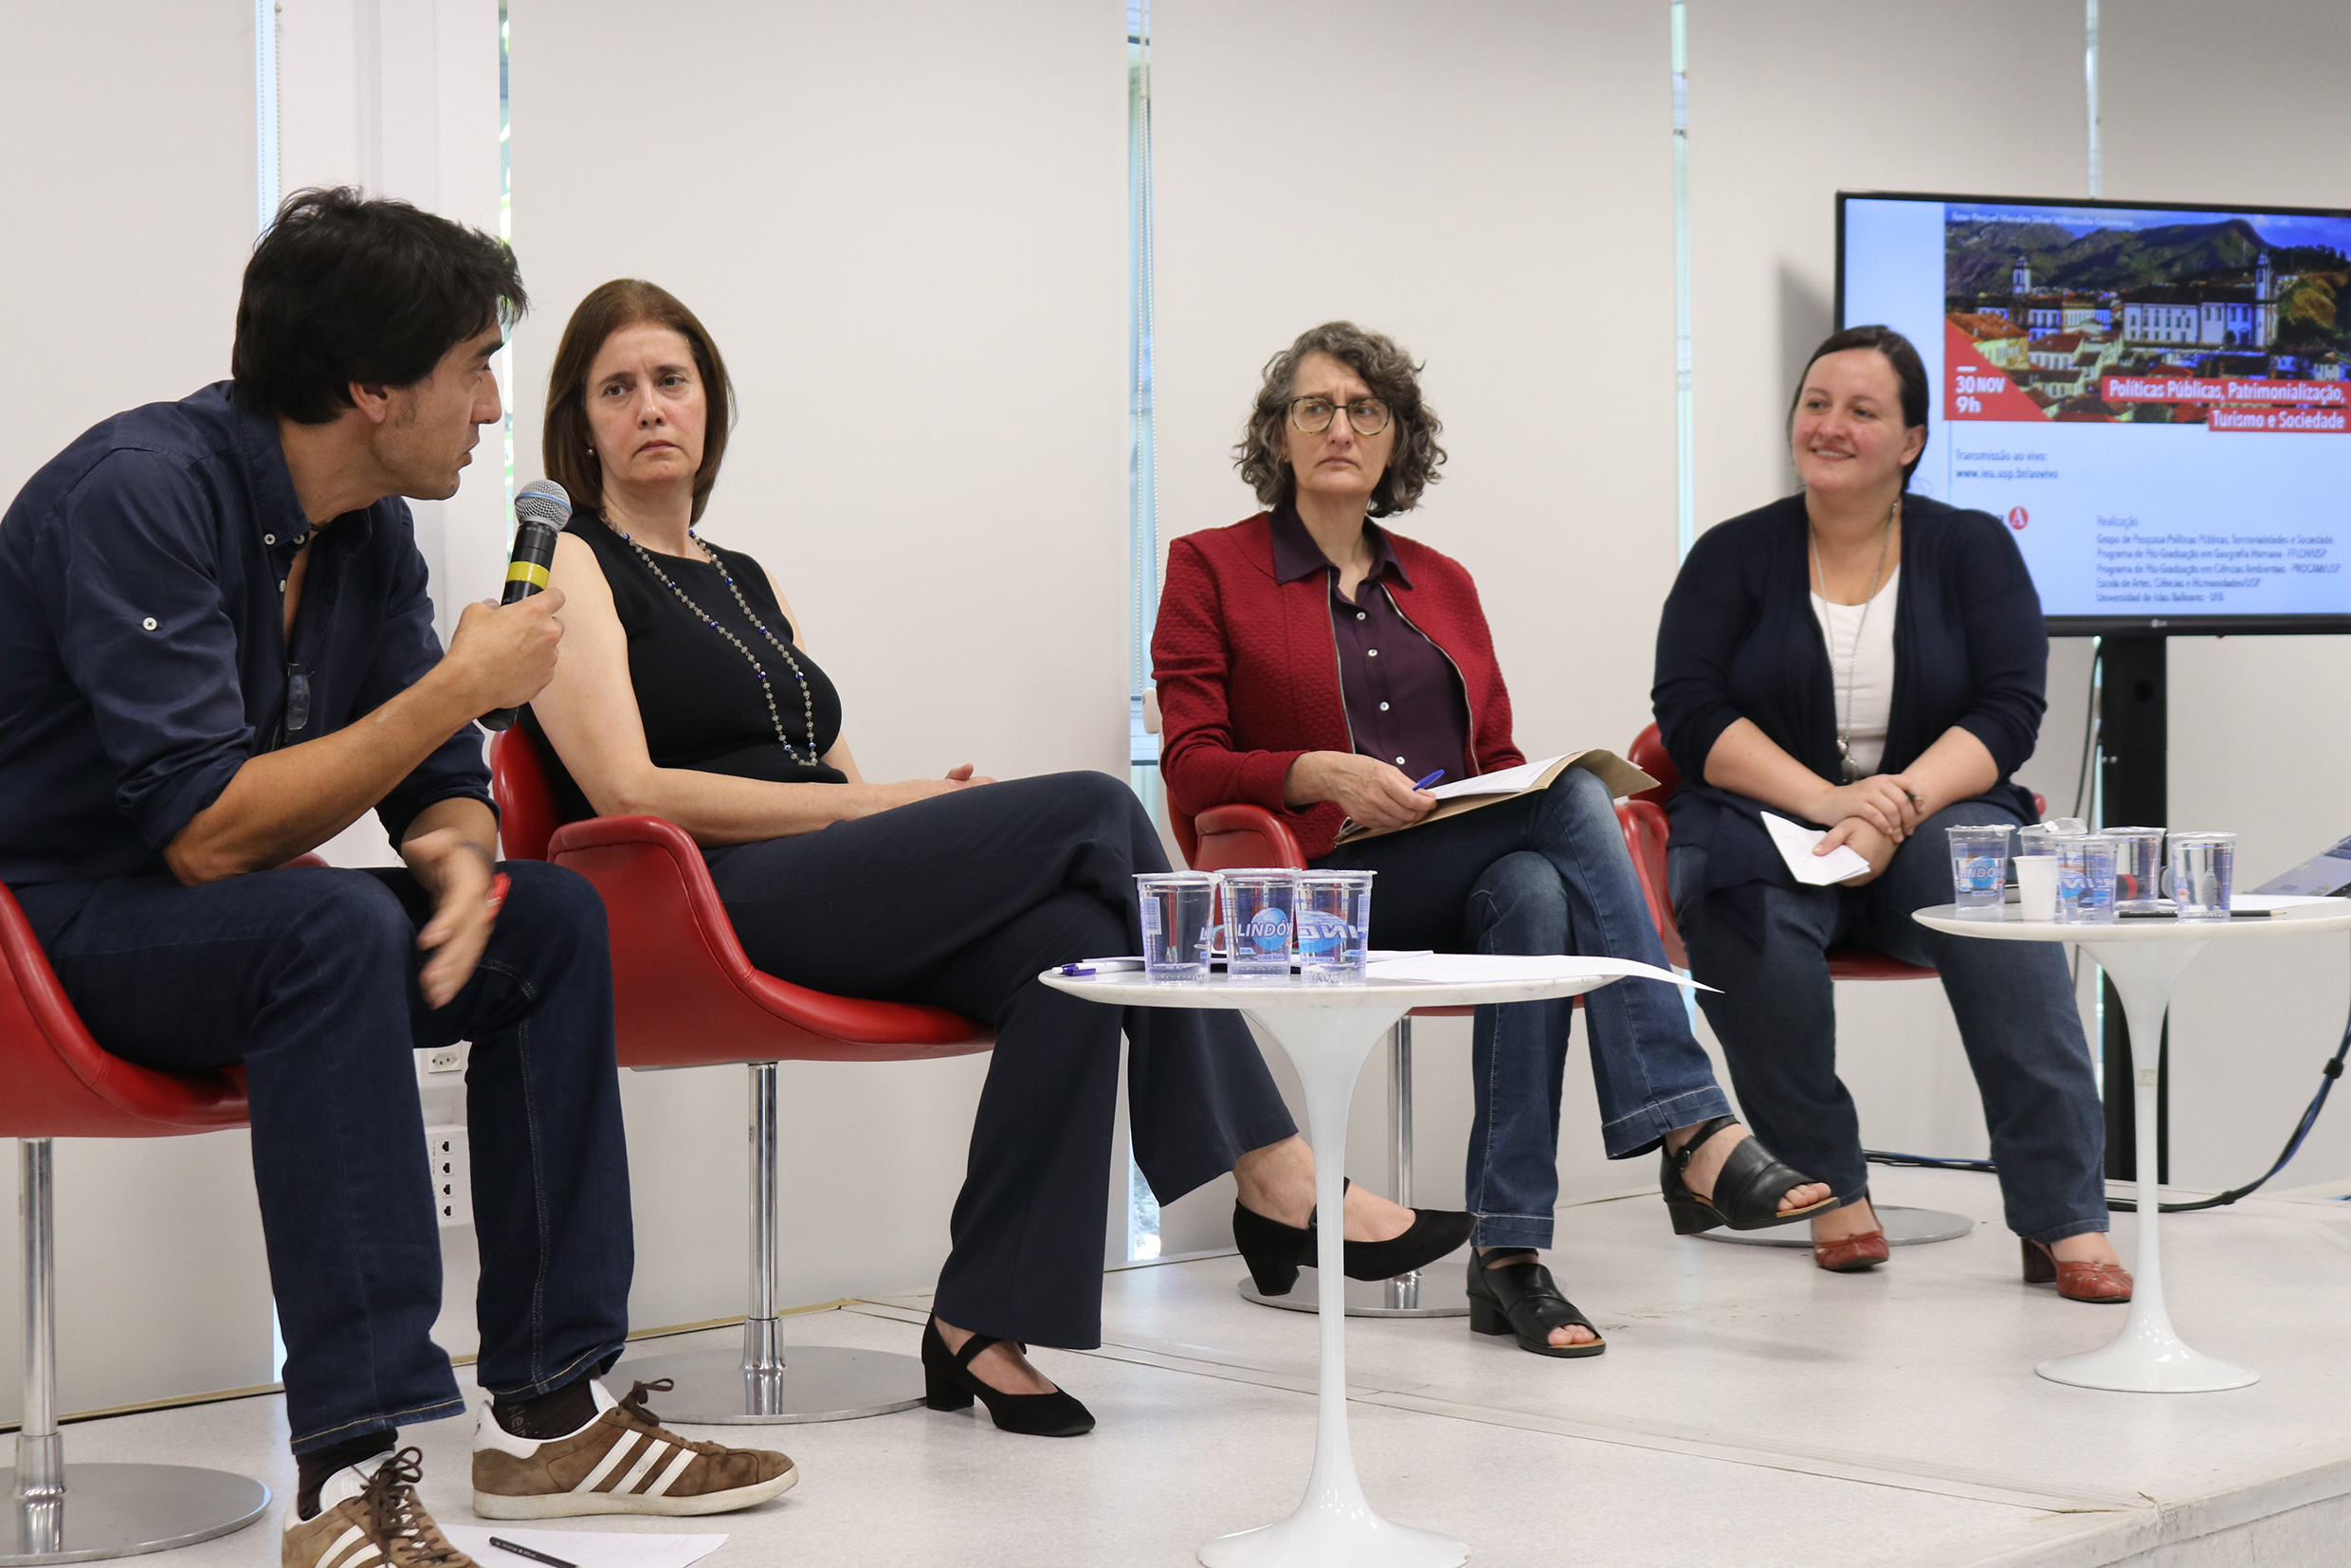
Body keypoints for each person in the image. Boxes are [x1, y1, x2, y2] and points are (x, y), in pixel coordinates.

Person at [0, 191, 800, 1568]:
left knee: (546, 916)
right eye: (474, 366)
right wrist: (456, 693)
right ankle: (350, 1472)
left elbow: (436, 782)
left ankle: (555, 1412)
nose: (496, 405)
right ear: (371, 387)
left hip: (213, 920)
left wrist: (462, 859)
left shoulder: (364, 531)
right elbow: (201, 830)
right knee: (320, 927)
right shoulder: (143, 491)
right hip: (51, 926)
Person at [519, 279, 1470, 1435]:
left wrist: (897, 815)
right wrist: (871, 812)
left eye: (671, 381)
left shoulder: (745, 579)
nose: (650, 407)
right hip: (696, 901)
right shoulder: (573, 563)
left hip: (811, 878)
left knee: (1069, 949)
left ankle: (978, 1316)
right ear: (582, 420)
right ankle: (1271, 1166)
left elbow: (830, 769)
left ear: (708, 405)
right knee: (1087, 808)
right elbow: (627, 788)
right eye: (618, 388)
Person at [1151, 321, 1832, 1359]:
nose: (1340, 427)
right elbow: (1191, 765)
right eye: (1314, 407)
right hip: (1307, 886)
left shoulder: (1443, 580)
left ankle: (1508, 1259)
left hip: (1443, 870)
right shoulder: (1208, 567)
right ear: (1277, 435)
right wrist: (1312, 773)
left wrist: (1499, 792)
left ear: (1396, 439)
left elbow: (1497, 753)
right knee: (1568, 814)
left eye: (1365, 409)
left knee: (1534, 889)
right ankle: (1689, 1122)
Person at [1650, 323, 2126, 1300]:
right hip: (1768, 818)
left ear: (1909, 438)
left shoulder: (1970, 547)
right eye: (1815, 404)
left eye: (1861, 410)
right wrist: (1831, 800)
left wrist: (1891, 806)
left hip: (1934, 814)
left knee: (1989, 892)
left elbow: (2007, 709)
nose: (1829, 425)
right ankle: (1827, 1186)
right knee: (1734, 898)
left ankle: (2062, 1213)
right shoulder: (1729, 555)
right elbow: (1691, 712)